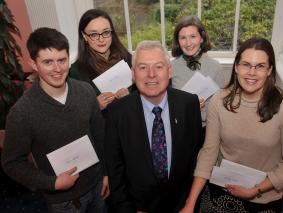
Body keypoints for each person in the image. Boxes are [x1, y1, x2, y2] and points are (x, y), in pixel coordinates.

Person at [180, 37, 283, 213]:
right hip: (221, 188)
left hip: (263, 196)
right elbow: (209, 152)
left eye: (260, 66)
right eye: (246, 64)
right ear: (236, 67)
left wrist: (256, 190)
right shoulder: (219, 100)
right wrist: (190, 203)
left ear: (269, 70)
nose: (251, 72)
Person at [1, 27, 109, 213]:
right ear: (33, 64)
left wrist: (106, 173)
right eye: (48, 62)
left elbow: (100, 136)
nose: (57, 69)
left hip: (97, 186)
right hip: (63, 201)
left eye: (62, 60)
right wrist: (52, 183)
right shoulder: (21, 112)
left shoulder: (86, 91)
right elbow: (11, 163)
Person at [105, 40, 203, 213]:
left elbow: (195, 158)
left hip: (181, 206)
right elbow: (115, 171)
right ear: (133, 74)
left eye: (158, 67)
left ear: (169, 71)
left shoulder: (189, 104)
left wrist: (189, 204)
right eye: (143, 67)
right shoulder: (117, 113)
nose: (151, 74)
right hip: (138, 206)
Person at [69, 9, 132, 110]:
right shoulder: (76, 72)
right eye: (94, 34)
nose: (101, 39)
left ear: (112, 32)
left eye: (106, 32)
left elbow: (143, 95)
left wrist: (130, 97)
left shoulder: (127, 58)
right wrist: (95, 107)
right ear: (84, 36)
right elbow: (75, 112)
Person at [171, 15, 226, 128]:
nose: (188, 43)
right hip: (178, 127)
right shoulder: (171, 67)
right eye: (183, 38)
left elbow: (222, 106)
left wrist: (201, 109)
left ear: (202, 38)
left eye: (192, 36)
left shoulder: (216, 67)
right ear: (178, 40)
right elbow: (166, 104)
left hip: (207, 128)